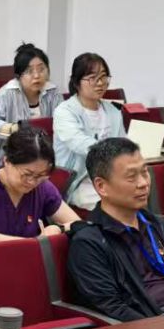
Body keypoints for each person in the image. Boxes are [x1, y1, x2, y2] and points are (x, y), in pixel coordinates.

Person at [68, 137, 164, 322]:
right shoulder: (89, 242)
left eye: (144, 172)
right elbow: (113, 308)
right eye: (131, 177)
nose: (143, 183)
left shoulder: (157, 225)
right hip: (148, 328)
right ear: (102, 186)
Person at [0, 128, 78, 242]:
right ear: (7, 161)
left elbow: (78, 224)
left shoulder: (42, 187)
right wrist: (29, 244)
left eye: (40, 175)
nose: (32, 182)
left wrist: (59, 228)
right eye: (27, 174)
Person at [53, 52, 127, 210]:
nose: (100, 83)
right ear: (76, 82)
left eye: (103, 77)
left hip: (109, 177)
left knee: (139, 194)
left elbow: (123, 144)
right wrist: (112, 153)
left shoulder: (113, 111)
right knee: (116, 204)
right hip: (78, 180)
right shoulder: (65, 111)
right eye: (92, 78)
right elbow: (79, 142)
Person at [0, 43, 63, 170]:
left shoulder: (53, 92)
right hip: (1, 162)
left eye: (41, 69)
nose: (37, 75)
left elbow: (63, 122)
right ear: (18, 75)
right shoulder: (8, 93)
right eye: (29, 71)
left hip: (39, 162)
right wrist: (17, 129)